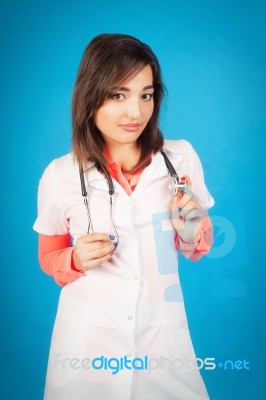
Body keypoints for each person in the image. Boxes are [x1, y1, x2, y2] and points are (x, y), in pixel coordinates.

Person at [33, 33, 215, 400]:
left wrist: (190, 230)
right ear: (90, 97)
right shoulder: (60, 175)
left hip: (162, 342)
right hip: (87, 346)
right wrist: (74, 258)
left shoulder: (180, 159)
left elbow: (199, 245)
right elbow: (49, 257)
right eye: (118, 95)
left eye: (145, 95)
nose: (136, 113)